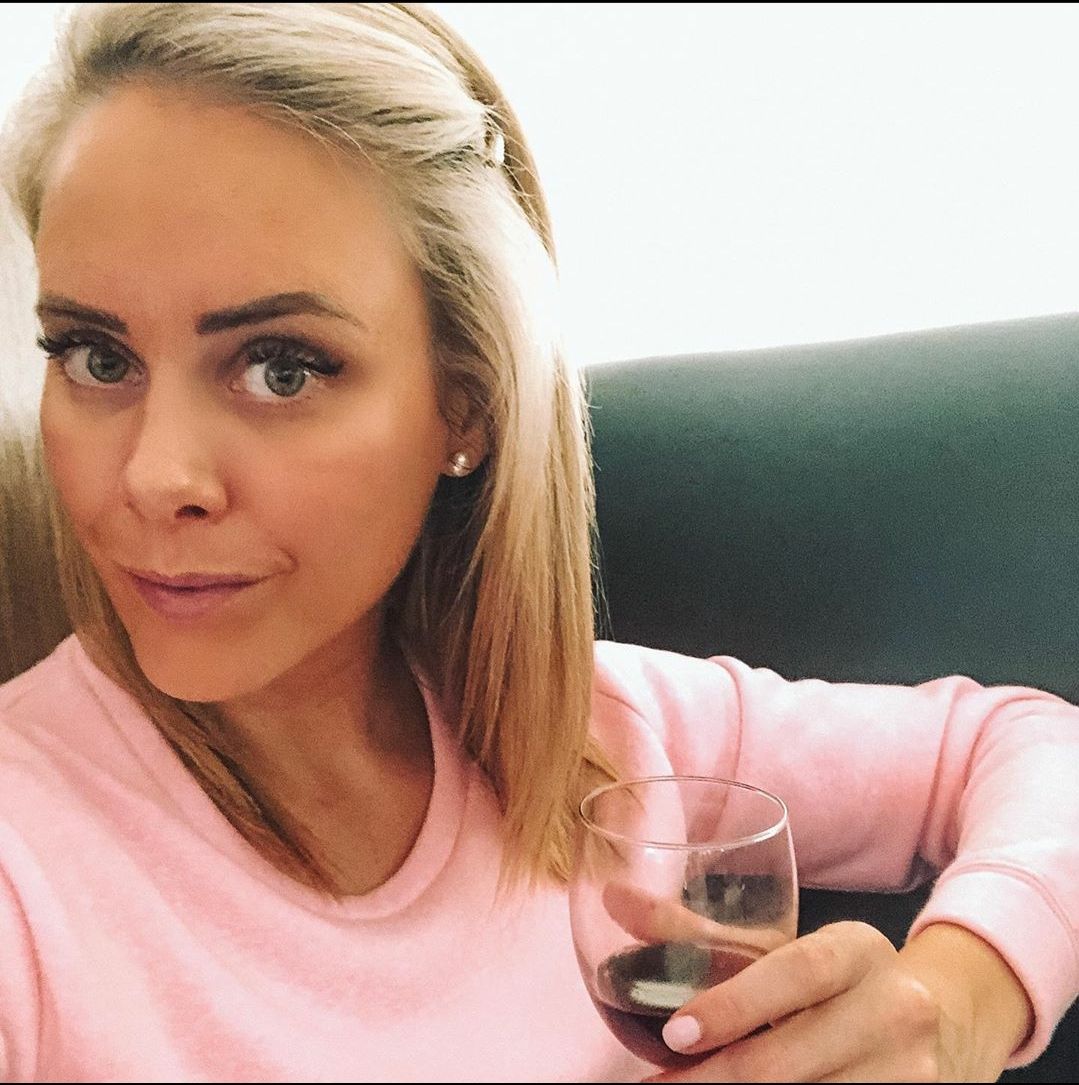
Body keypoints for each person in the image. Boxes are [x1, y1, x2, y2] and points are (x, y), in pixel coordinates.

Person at [0, 4, 1075, 1081]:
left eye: (281, 368)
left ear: (466, 404)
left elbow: (1033, 748)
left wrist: (958, 1000)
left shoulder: (611, 734)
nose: (154, 478)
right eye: (95, 356)